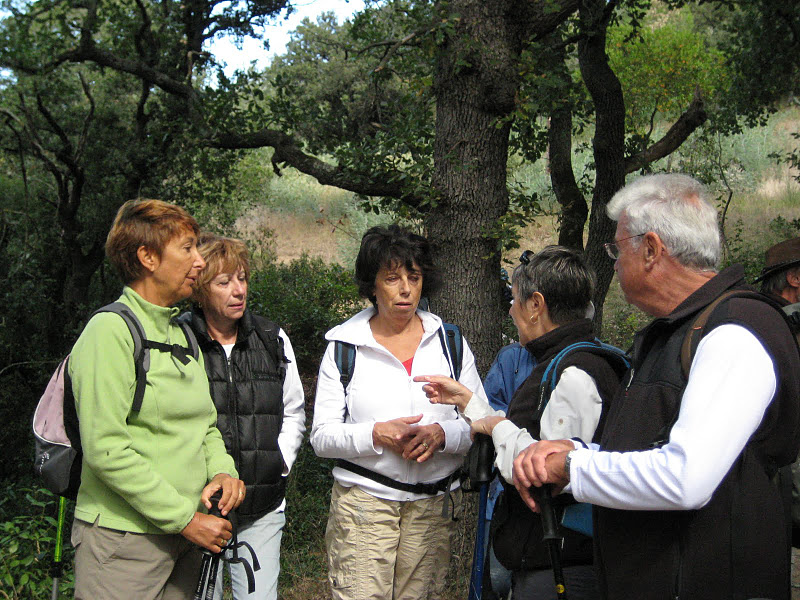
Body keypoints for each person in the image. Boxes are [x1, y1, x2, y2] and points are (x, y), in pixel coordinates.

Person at [514, 174, 800, 600]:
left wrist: (574, 469)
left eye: (616, 248)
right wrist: (578, 453)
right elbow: (655, 448)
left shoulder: (733, 331)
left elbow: (686, 477)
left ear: (650, 249)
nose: (613, 261)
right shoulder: (678, 331)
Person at [416, 246, 625, 600]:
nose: (511, 310)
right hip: (558, 559)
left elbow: (546, 468)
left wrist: (494, 426)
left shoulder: (573, 373)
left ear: (535, 305)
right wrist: (471, 403)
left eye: (514, 300)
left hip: (562, 566)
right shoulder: (580, 360)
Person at [69, 199, 246, 600]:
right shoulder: (109, 332)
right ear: (147, 257)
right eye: (187, 248)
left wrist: (222, 471)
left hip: (185, 539)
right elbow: (106, 450)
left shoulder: (181, 333)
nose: (200, 261)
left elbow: (204, 424)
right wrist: (185, 518)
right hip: (122, 545)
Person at [310, 224, 485, 600]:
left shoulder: (450, 342)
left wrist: (442, 436)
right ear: (372, 286)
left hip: (432, 508)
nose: (405, 288)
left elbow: (480, 422)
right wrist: (375, 434)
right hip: (364, 506)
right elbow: (321, 437)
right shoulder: (345, 346)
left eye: (414, 277)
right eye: (392, 278)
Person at [181, 235, 306, 600]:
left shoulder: (272, 339)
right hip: (197, 510)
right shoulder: (180, 341)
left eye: (242, 278)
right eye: (224, 282)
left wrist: (278, 463)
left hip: (261, 505)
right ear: (200, 290)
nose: (238, 291)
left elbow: (294, 409)